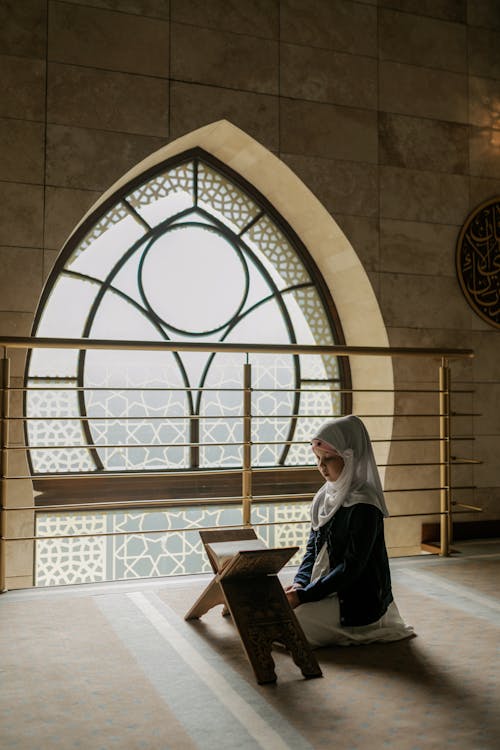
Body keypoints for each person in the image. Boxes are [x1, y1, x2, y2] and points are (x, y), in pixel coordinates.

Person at [285, 414, 414, 648]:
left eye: (328, 459)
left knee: (291, 627)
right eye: (317, 458)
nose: (321, 466)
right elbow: (313, 548)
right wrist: (300, 584)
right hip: (326, 587)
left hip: (355, 599)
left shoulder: (365, 505)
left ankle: (366, 627)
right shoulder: (325, 497)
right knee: (279, 613)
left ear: (350, 457)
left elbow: (351, 567)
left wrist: (304, 597)